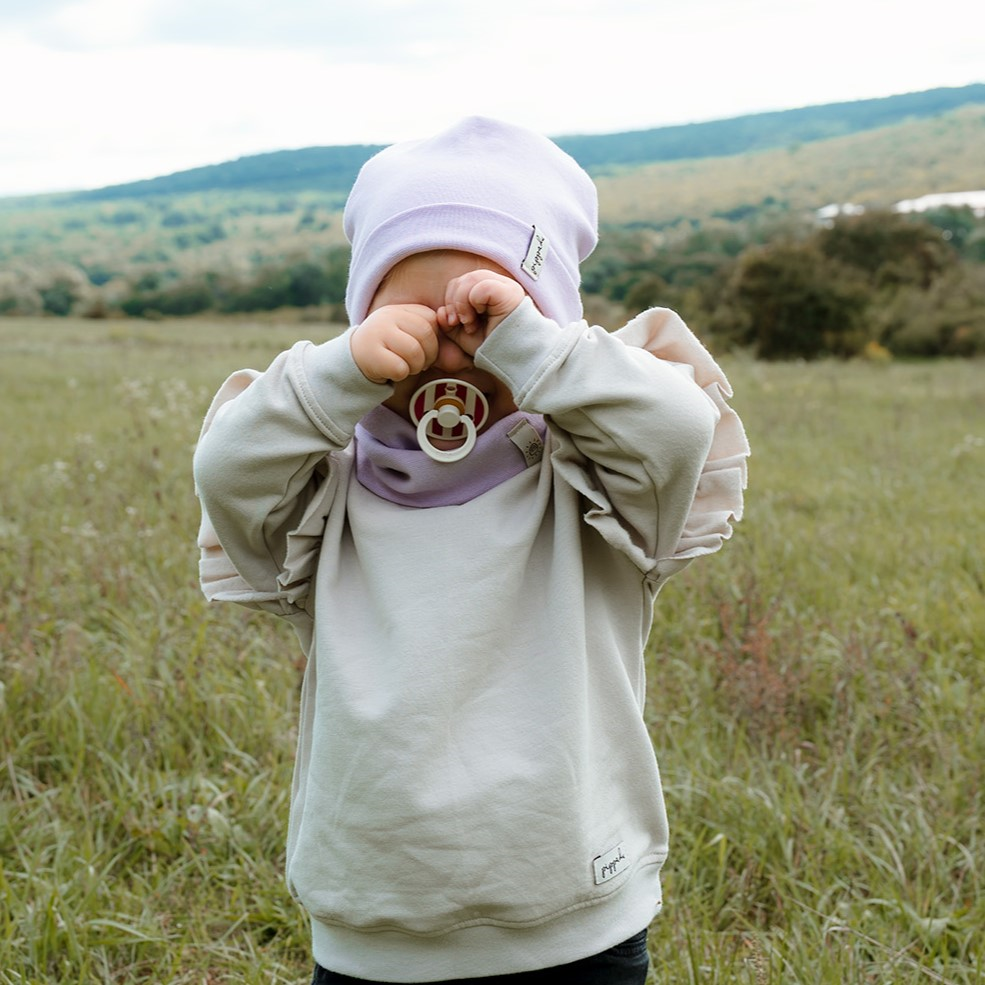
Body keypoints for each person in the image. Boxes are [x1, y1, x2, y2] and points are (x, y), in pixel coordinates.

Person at [193, 117, 749, 984]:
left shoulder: (592, 488)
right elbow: (226, 468)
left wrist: (525, 340)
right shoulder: (325, 492)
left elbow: (676, 427)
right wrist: (343, 370)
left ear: (551, 324)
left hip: (577, 924)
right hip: (375, 931)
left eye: (482, 315)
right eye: (408, 315)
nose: (447, 347)